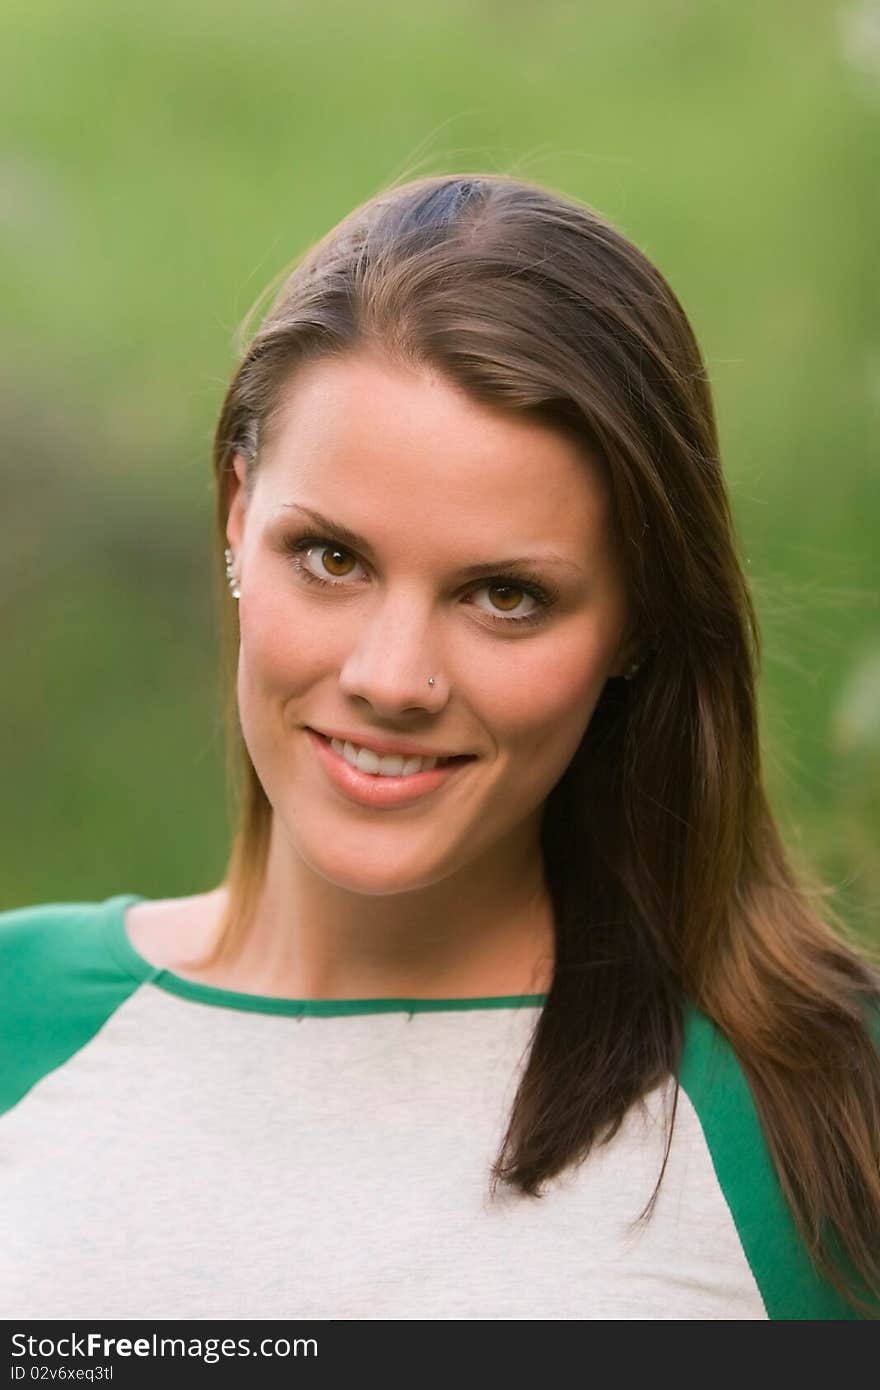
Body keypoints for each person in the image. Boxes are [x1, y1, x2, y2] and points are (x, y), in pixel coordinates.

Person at [2, 173, 878, 1322]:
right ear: (235, 511)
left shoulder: (822, 1105)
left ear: (638, 623)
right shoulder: (24, 1019)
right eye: (330, 558)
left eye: (505, 595)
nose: (389, 678)